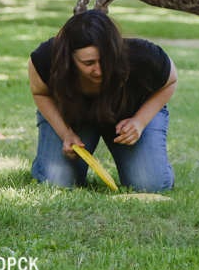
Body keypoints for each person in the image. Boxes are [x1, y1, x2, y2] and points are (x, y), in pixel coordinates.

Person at [28, 10, 177, 192]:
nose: (99, 70)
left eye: (104, 60)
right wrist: (65, 133)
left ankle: (158, 166)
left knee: (151, 184)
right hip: (73, 118)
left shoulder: (142, 55)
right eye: (88, 63)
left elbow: (171, 81)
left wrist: (140, 121)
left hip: (131, 115)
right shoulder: (46, 58)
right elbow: (41, 93)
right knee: (56, 182)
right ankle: (45, 163)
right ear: (69, 57)